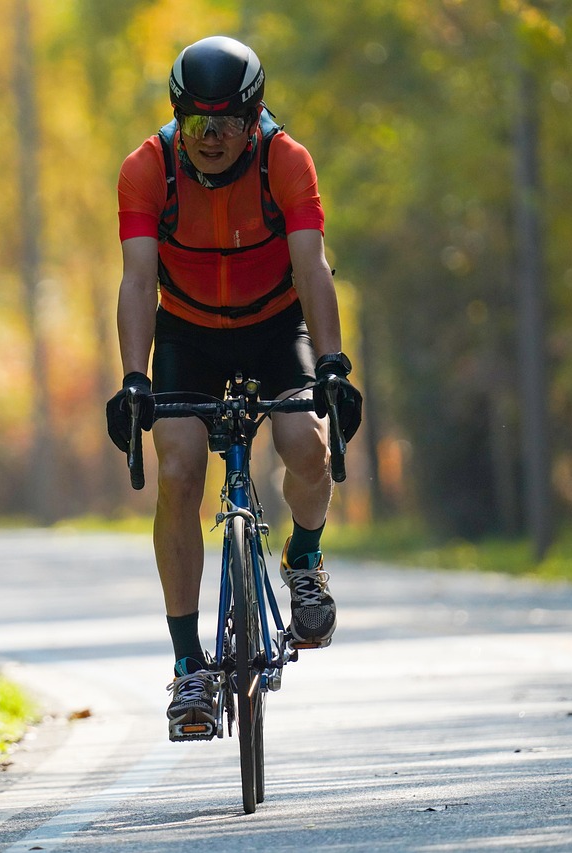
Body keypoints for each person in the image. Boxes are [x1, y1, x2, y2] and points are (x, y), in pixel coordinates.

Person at [105, 36, 362, 740]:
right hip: (187, 332)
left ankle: (303, 561)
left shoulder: (287, 160)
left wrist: (333, 364)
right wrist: (134, 377)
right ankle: (189, 666)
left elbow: (312, 268)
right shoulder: (146, 171)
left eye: (227, 123)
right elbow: (135, 281)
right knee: (181, 467)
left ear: (254, 120)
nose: (211, 138)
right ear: (177, 118)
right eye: (196, 123)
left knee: (305, 443)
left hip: (276, 324)